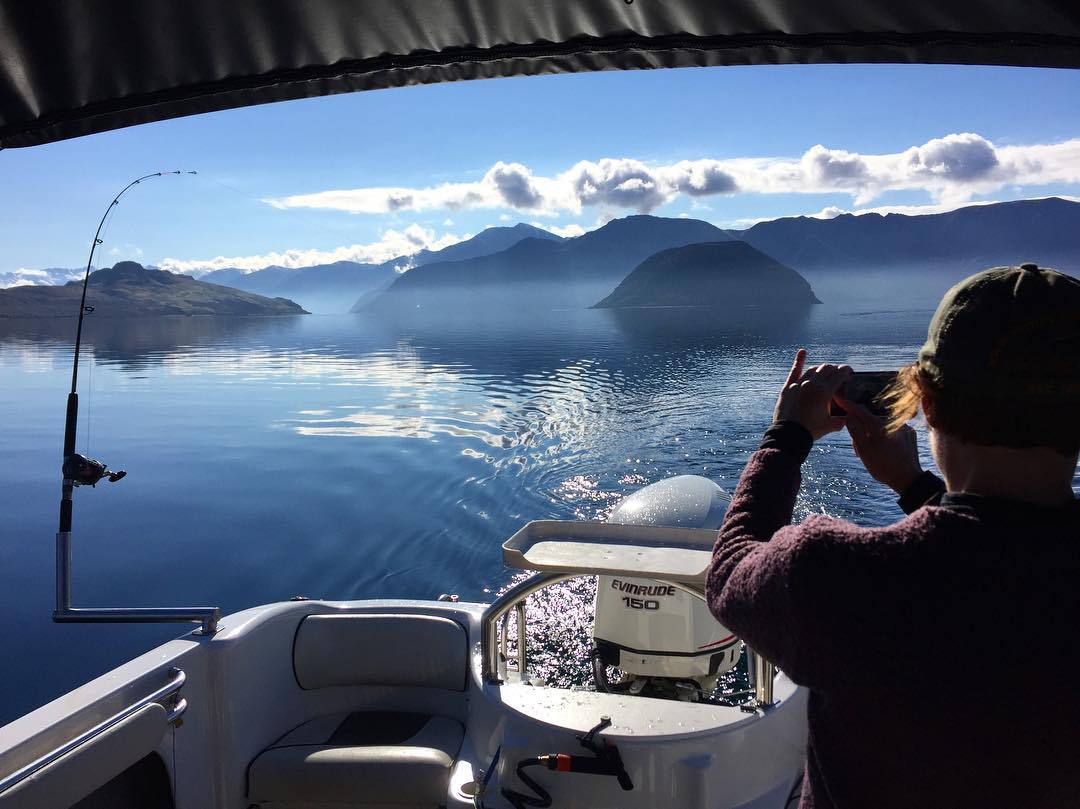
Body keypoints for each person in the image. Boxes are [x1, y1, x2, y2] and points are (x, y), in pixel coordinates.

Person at [705, 263, 1080, 809]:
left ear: (924, 400)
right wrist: (909, 483)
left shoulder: (842, 577)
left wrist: (785, 436)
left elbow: (730, 569)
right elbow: (1010, 551)